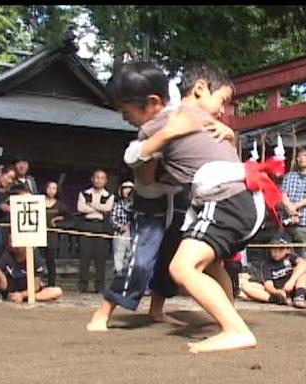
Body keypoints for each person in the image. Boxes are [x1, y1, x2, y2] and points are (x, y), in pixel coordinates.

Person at [94, 61, 270, 353]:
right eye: (222, 102)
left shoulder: (162, 122)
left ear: (151, 102)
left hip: (225, 198)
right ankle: (226, 321)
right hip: (247, 200)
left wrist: (162, 136)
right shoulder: (201, 117)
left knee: (181, 266)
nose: (127, 119)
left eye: (127, 113)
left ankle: (235, 329)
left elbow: (133, 159)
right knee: (211, 264)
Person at [0, 233, 63, 303]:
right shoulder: (6, 255)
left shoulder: (35, 258)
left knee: (57, 291)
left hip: (28, 290)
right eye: (10, 241)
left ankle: (26, 298)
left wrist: (22, 295)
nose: (12, 244)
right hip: (9, 287)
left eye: (14, 241)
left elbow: (36, 285)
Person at [239, 232, 306, 308]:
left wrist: (291, 281)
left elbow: (303, 263)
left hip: (293, 288)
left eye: (281, 249)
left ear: (288, 250)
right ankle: (277, 300)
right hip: (277, 292)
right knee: (245, 286)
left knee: (302, 272)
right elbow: (268, 285)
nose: (276, 252)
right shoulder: (266, 264)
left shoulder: (290, 258)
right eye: (273, 248)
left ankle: (299, 297)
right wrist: (276, 292)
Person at [76, 169, 114, 293]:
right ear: (92, 179)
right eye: (96, 177)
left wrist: (91, 205)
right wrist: (99, 209)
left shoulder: (109, 195)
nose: (99, 180)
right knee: (85, 257)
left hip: (101, 227)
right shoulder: (84, 193)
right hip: (86, 225)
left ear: (106, 180)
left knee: (100, 258)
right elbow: (81, 208)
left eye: (102, 178)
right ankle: (83, 285)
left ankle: (100, 286)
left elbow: (107, 208)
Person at [41, 180, 71, 287]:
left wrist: (57, 220)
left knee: (50, 260)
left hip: (51, 235)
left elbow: (69, 217)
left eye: (54, 188)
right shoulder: (39, 201)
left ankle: (51, 283)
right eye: (49, 188)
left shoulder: (59, 205)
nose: (51, 190)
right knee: (37, 259)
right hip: (39, 233)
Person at [109, 180, 135, 276]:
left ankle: (127, 276)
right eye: (125, 189)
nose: (127, 191)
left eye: (129, 189)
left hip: (133, 233)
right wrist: (120, 227)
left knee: (130, 255)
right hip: (120, 233)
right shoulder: (117, 204)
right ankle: (118, 277)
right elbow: (112, 219)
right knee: (118, 256)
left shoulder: (136, 205)